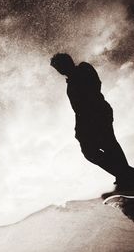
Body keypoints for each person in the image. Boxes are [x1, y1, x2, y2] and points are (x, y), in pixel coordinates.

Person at [50, 53, 134, 198]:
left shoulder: (83, 69)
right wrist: (79, 128)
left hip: (97, 115)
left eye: (59, 66)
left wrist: (83, 126)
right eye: (57, 68)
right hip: (92, 118)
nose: (59, 70)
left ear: (67, 63)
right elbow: (79, 109)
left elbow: (92, 93)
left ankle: (126, 178)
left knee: (104, 147)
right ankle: (126, 176)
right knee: (97, 149)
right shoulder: (73, 79)